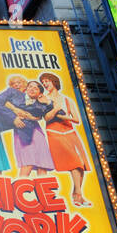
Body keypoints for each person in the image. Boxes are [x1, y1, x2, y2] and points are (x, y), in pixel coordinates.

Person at [38, 72, 92, 206]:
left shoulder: (67, 100)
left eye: (47, 81)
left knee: (81, 164)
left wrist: (61, 115)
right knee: (75, 162)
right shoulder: (43, 98)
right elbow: (47, 118)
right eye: (43, 82)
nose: (45, 84)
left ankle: (76, 194)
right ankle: (79, 194)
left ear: (54, 81)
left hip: (70, 132)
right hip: (54, 132)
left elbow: (76, 119)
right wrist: (56, 110)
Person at [13, 81, 56, 177]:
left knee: (43, 164)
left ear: (40, 93)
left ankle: (43, 190)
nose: (32, 89)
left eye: (35, 88)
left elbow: (56, 110)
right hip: (23, 132)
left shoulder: (42, 103)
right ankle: (20, 189)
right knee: (28, 163)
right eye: (30, 86)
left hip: (37, 133)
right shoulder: (16, 99)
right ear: (26, 88)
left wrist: (48, 102)